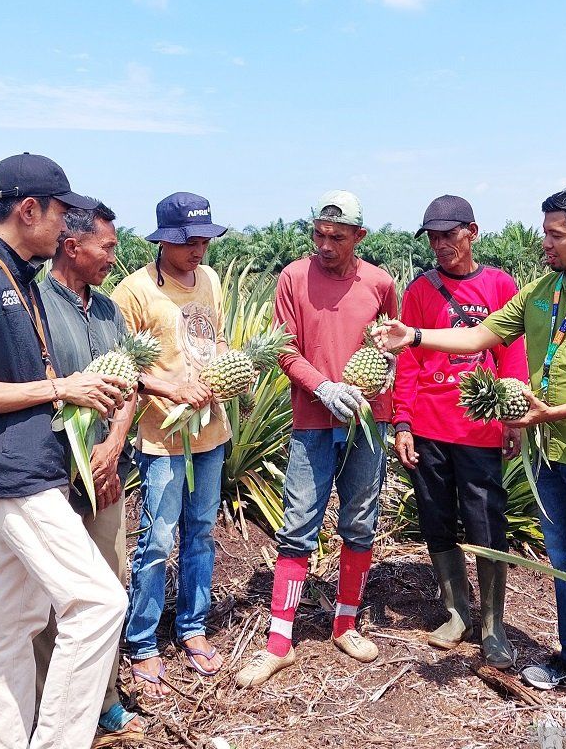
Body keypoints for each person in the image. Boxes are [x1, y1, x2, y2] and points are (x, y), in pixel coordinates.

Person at [373, 186, 566, 690]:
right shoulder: (542, 292)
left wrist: (551, 412)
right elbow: (481, 337)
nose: (544, 241)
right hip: (548, 453)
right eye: (544, 231)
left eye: (555, 234)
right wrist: (413, 336)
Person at [0, 153, 129, 748]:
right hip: (11, 474)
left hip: (30, 467)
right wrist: (59, 387)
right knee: (97, 603)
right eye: (61, 213)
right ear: (29, 209)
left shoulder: (17, 277)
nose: (66, 228)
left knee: (16, 621)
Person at [235, 190, 397, 689]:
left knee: (359, 518)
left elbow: (395, 343)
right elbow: (284, 350)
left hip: (368, 421)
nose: (325, 245)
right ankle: (278, 642)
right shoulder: (292, 278)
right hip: (312, 418)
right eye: (319, 235)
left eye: (337, 237)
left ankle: (345, 622)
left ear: (359, 238)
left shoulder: (381, 283)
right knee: (299, 522)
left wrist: (387, 373)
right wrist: (322, 386)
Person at [392, 195, 528, 668]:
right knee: (435, 517)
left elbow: (512, 352)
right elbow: (406, 360)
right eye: (432, 236)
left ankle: (493, 626)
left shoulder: (499, 284)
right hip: (430, 425)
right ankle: (457, 613)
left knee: (487, 520)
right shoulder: (420, 291)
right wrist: (402, 420)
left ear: (472, 230)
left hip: (481, 426)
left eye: (449, 234)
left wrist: (513, 415)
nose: (440, 244)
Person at [111, 192, 230, 700]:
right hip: (161, 437)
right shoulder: (133, 292)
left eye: (204, 240)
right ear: (163, 240)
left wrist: (227, 374)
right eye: (189, 243)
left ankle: (192, 628)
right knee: (156, 540)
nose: (199, 250)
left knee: (201, 532)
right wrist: (171, 389)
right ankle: (141, 642)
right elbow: (120, 364)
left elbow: (216, 343)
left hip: (212, 433)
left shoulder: (211, 281)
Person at [32, 202, 144, 734]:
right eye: (108, 247)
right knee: (52, 600)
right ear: (72, 247)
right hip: (50, 480)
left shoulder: (108, 312)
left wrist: (114, 445)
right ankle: (51, 709)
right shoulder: (33, 304)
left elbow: (130, 385)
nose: (113, 259)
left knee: (107, 586)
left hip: (104, 477)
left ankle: (103, 698)